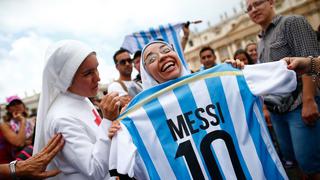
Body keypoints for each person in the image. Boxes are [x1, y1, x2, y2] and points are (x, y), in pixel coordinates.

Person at [108, 40, 297, 179]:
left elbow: (290, 70)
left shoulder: (225, 78)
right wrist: (116, 127)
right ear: (146, 73)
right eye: (151, 58)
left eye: (166, 50)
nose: (163, 56)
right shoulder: (137, 119)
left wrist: (238, 72)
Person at [246, 0, 320, 178]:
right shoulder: (261, 42)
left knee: (311, 163)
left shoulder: (292, 22)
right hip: (277, 112)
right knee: (294, 162)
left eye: (257, 3)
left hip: (299, 105)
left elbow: (311, 59)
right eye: (248, 8)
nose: (253, 10)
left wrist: (309, 100)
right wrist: (265, 107)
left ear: (271, 2)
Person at [33, 40, 117, 180]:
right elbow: (94, 169)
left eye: (96, 68)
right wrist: (107, 120)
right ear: (67, 78)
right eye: (88, 73)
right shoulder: (61, 117)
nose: (98, 78)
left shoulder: (81, 98)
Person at [0, 97, 35, 161]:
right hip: (19, 160)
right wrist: (22, 121)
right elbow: (19, 143)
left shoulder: (33, 121)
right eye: (13, 104)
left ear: (24, 107)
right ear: (9, 109)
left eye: (19, 103)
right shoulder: (5, 125)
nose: (16, 106)